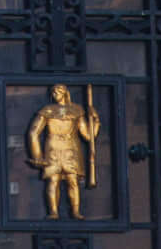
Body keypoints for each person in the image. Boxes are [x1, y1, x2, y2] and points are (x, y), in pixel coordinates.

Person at [26, 84, 102, 220]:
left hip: (71, 149)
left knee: (73, 180)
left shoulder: (76, 110)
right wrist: (37, 156)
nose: (55, 94)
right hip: (53, 149)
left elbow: (88, 136)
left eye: (58, 91)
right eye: (53, 92)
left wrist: (96, 120)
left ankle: (76, 212)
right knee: (53, 180)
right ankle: (53, 212)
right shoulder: (47, 110)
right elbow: (33, 133)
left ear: (65, 93)